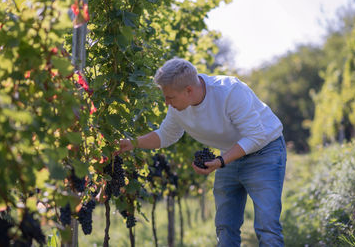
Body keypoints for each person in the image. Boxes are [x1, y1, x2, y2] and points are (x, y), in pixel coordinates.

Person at [115, 58, 287, 247]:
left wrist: (221, 161)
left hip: (265, 152)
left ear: (188, 90)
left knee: (267, 227)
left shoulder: (230, 91)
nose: (166, 103)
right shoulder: (177, 107)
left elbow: (256, 136)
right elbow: (166, 135)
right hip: (229, 154)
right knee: (225, 226)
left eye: (170, 97)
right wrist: (132, 143)